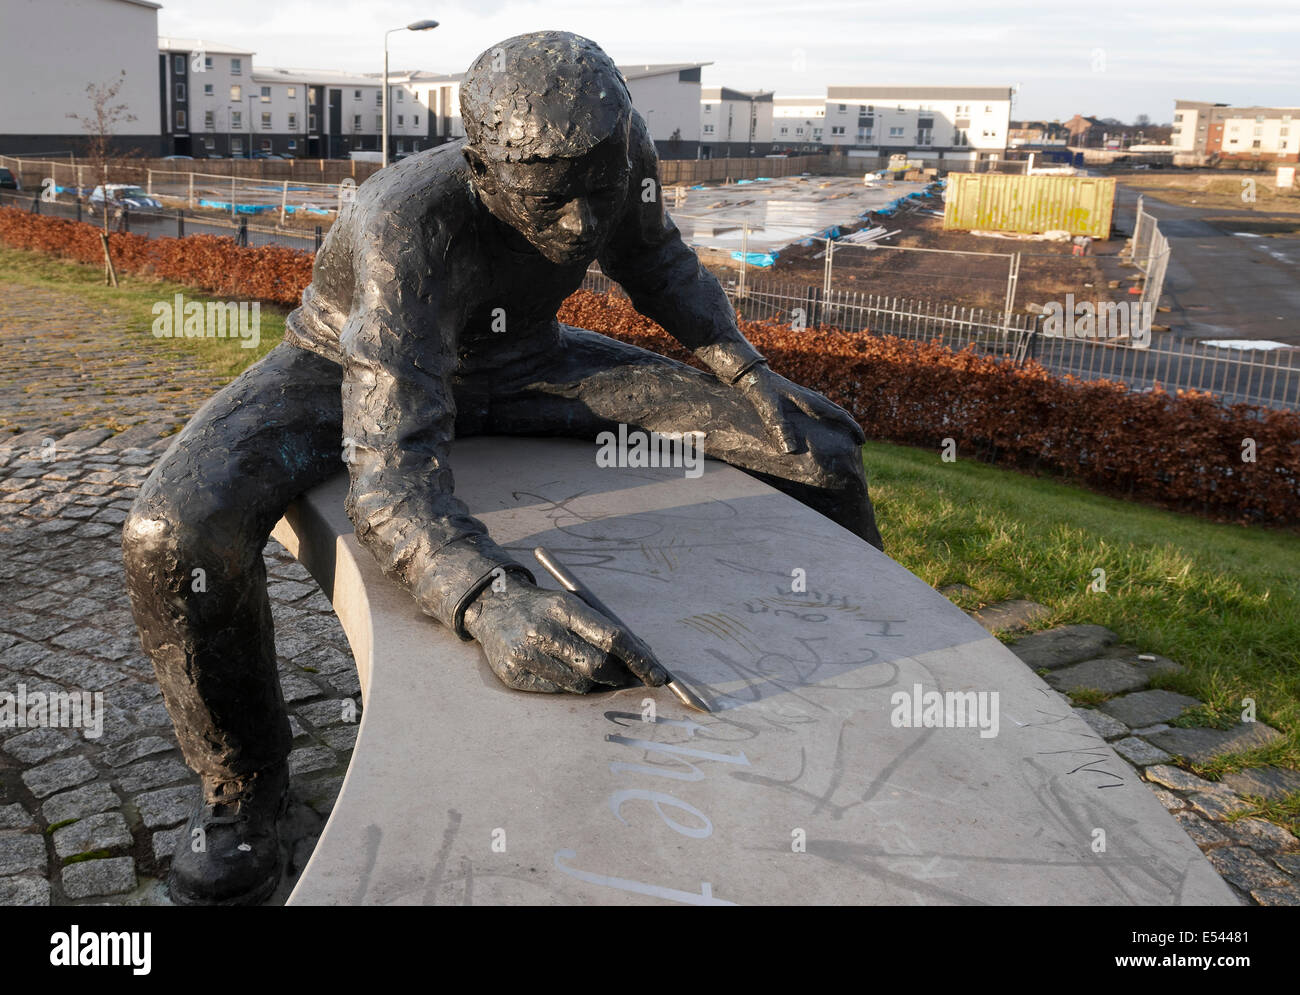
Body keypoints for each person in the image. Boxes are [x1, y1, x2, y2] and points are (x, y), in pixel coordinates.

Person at [122, 30, 882, 906]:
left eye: (598, 195)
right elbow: (392, 471)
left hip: (527, 362)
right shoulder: (404, 224)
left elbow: (655, 259)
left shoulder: (615, 149)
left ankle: (866, 684)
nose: (580, 229)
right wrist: (485, 597)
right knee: (172, 534)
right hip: (351, 371)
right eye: (550, 203)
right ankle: (244, 789)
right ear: (482, 172)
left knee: (819, 451)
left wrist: (750, 373)